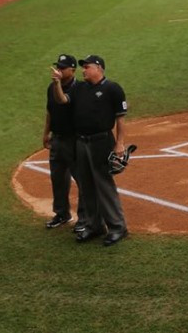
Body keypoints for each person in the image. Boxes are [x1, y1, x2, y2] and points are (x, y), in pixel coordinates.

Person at [50, 55, 128, 246]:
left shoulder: (112, 89)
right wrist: (57, 83)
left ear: (99, 68)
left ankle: (118, 227)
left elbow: (120, 119)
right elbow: (61, 100)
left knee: (103, 184)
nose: (83, 70)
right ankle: (94, 226)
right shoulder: (79, 88)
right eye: (82, 67)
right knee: (86, 186)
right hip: (81, 142)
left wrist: (120, 144)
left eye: (87, 67)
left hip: (101, 142)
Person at [42, 54, 84, 229]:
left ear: (72, 70)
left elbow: (63, 100)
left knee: (82, 181)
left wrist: (57, 84)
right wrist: (46, 134)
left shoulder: (80, 89)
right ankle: (62, 213)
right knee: (57, 179)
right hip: (57, 140)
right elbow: (50, 111)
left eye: (62, 67)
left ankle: (84, 218)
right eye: (58, 66)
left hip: (74, 141)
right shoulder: (51, 87)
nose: (58, 69)